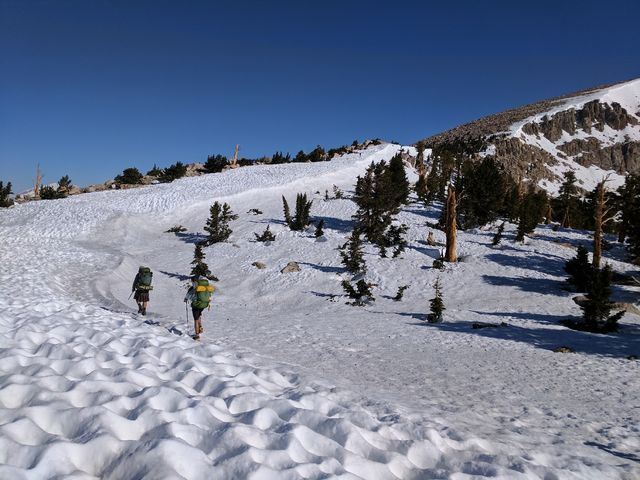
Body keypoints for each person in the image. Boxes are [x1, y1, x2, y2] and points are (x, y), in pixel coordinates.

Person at [184, 275, 215, 340]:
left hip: (196, 305)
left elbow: (188, 296)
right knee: (199, 315)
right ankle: (200, 328)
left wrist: (186, 299)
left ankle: (197, 335)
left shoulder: (194, 287)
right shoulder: (204, 287)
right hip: (204, 304)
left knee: (195, 319)